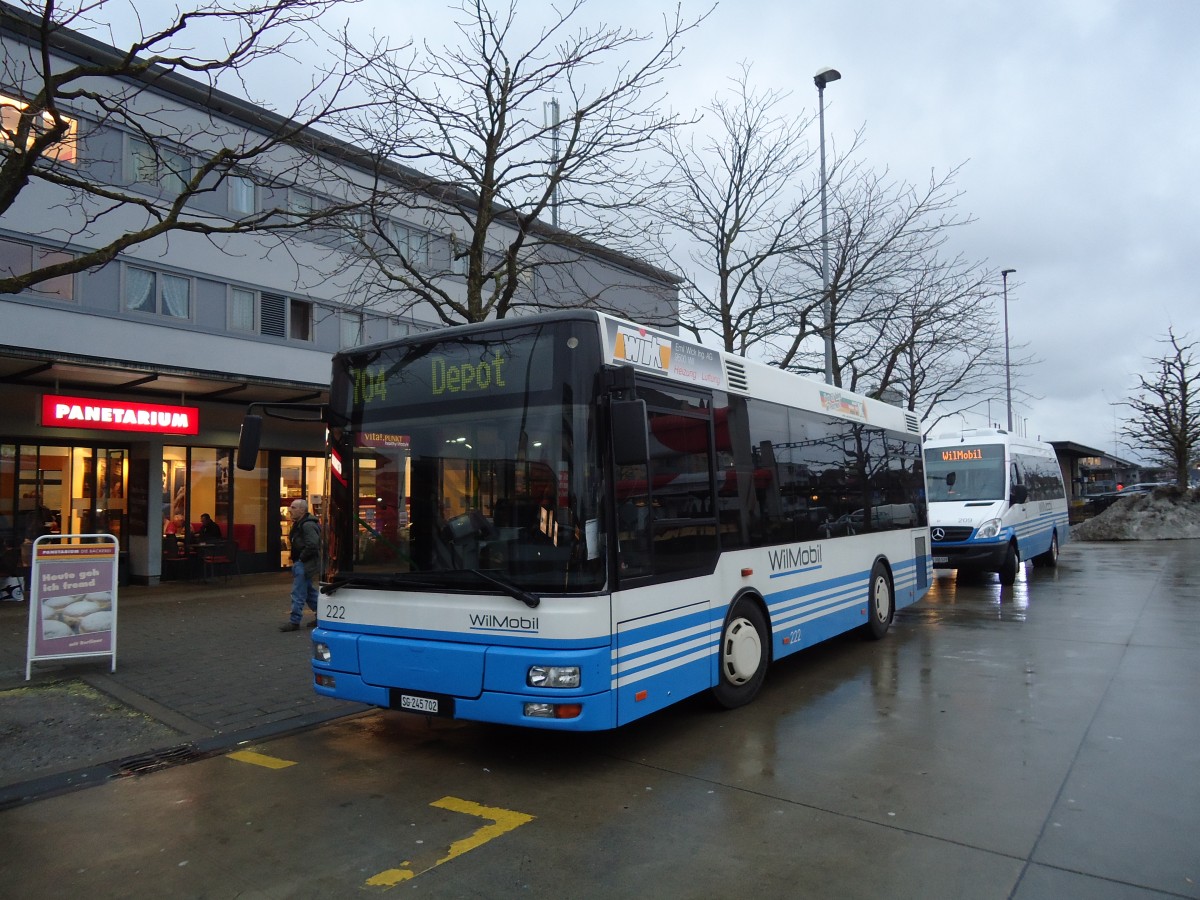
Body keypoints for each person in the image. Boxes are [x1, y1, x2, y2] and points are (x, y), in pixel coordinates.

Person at [280, 498, 321, 631]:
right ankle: (321, 615)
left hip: (304, 563)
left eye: (293, 507)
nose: (290, 510)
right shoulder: (300, 523)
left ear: (302, 510)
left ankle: (294, 621)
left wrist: (301, 558)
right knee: (308, 591)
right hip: (303, 562)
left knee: (298, 592)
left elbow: (313, 544)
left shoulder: (306, 525)